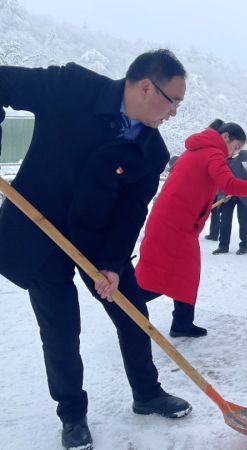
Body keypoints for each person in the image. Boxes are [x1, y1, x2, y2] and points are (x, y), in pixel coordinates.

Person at [0, 50, 191, 450]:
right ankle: (72, 415)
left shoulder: (152, 151)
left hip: (100, 240)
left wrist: (111, 264)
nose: (174, 112)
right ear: (145, 86)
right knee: (61, 330)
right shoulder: (71, 87)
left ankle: (147, 393)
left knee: (134, 315)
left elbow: (130, 211)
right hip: (41, 233)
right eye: (174, 101)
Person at [135, 120, 247, 338]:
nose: (235, 153)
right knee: (163, 275)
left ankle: (181, 323)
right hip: (174, 225)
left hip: (176, 223)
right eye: (236, 147)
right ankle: (126, 301)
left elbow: (209, 183)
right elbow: (228, 183)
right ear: (226, 136)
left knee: (186, 273)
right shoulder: (212, 152)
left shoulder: (200, 150)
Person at [212, 149, 247, 255]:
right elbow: (215, 180)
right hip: (227, 194)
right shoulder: (215, 162)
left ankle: (244, 246)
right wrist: (222, 194)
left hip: (244, 191)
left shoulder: (234, 154)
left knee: (244, 220)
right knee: (225, 219)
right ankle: (223, 246)